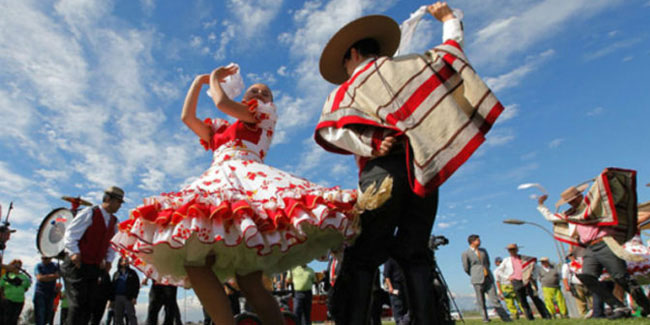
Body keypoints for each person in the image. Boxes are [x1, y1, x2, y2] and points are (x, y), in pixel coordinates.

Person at [111, 64, 357, 325]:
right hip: (218, 181)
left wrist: (215, 78)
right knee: (200, 265)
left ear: (270, 102)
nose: (260, 95)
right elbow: (187, 117)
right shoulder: (220, 128)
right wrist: (197, 81)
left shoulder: (264, 115)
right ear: (244, 97)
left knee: (249, 281)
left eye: (265, 93)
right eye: (254, 91)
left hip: (249, 181)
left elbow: (221, 101)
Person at [315, 2, 503, 323]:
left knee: (362, 255)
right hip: (424, 168)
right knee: (415, 251)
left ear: (353, 55)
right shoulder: (414, 65)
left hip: (383, 174)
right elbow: (451, 53)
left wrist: (372, 143)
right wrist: (448, 19)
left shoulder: (348, 90)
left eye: (345, 62)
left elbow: (331, 130)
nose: (345, 69)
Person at [537, 173, 650, 319]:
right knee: (586, 277)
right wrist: (541, 205)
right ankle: (618, 306)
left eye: (573, 200)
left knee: (621, 277)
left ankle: (646, 306)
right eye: (569, 201)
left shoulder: (595, 206)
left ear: (580, 196)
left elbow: (608, 196)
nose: (571, 203)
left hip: (605, 243)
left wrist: (604, 180)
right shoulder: (571, 214)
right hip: (590, 248)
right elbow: (551, 217)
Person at [62, 186, 124, 325]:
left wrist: (108, 260)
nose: (120, 205)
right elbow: (71, 233)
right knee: (77, 303)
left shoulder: (114, 221)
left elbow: (112, 244)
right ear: (108, 199)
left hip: (93, 267)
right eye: (118, 201)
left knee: (90, 305)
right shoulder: (90, 212)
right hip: (76, 266)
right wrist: (74, 253)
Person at [461, 235, 511, 322]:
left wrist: (486, 271)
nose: (480, 241)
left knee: (494, 299)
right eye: (478, 240)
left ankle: (505, 318)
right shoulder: (466, 253)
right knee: (481, 300)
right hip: (477, 279)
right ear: (472, 242)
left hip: (488, 277)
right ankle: (485, 318)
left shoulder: (483, 251)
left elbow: (488, 262)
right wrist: (474, 274)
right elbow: (466, 267)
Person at [495, 244, 551, 320]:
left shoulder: (525, 258)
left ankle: (546, 315)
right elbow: (498, 271)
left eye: (513, 249)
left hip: (527, 280)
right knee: (522, 300)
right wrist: (508, 277)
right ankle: (530, 317)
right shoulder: (506, 260)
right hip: (516, 281)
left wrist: (533, 277)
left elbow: (536, 267)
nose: (512, 251)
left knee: (535, 297)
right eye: (510, 250)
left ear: (517, 250)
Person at [0, 259, 31, 325]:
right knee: (6, 319)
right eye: (15, 265)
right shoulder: (6, 275)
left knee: (14, 319)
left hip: (19, 301)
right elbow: (1, 286)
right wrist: (3, 297)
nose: (17, 267)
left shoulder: (24, 277)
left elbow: (26, 287)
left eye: (18, 265)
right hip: (8, 300)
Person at [110, 257, 140, 325]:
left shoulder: (132, 273)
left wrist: (134, 297)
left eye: (127, 260)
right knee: (118, 317)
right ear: (120, 262)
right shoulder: (116, 274)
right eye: (124, 260)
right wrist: (111, 299)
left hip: (128, 297)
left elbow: (136, 286)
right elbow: (112, 287)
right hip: (117, 297)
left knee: (131, 315)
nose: (126, 262)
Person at [561, 252, 592, 317]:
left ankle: (594, 312)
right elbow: (564, 277)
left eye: (572, 255)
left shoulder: (581, 261)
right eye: (570, 256)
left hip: (587, 282)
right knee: (580, 300)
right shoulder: (567, 265)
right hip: (576, 284)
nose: (572, 256)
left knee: (592, 298)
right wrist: (566, 286)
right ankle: (583, 314)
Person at [34, 255, 60, 325]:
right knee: (40, 314)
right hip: (40, 292)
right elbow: (39, 278)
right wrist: (53, 276)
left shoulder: (55, 265)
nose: (43, 260)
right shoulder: (38, 266)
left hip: (51, 293)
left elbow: (58, 275)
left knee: (47, 316)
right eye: (42, 258)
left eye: (46, 258)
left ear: (51, 258)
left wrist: (45, 277)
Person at [383, 258, 409, 324]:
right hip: (395, 286)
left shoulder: (401, 259)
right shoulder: (389, 259)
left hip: (404, 287)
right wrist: (391, 288)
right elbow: (386, 275)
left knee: (406, 311)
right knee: (398, 313)